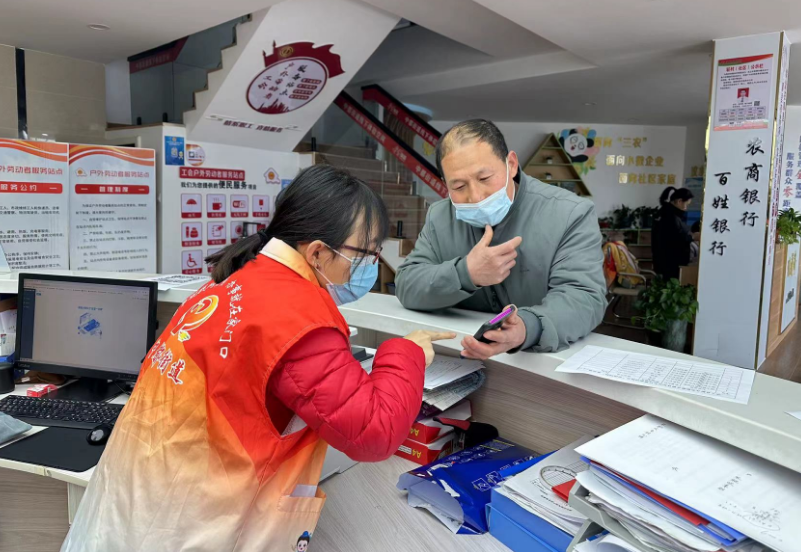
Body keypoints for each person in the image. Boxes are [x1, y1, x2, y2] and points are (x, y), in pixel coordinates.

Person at [61, 165, 455, 552]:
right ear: (317, 252)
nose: (370, 265)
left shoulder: (234, 277)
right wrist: (407, 353)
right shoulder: (295, 315)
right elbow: (374, 433)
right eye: (364, 253)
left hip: (132, 498)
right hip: (196, 519)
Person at [395, 119, 606, 358]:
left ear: (511, 165)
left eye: (485, 178)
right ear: (445, 184)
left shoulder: (570, 214)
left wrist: (527, 327)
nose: (475, 195)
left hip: (538, 365)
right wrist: (466, 274)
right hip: (459, 360)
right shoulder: (441, 217)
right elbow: (408, 285)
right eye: (459, 185)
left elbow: (584, 297)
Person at [651, 186, 696, 280]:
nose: (686, 208)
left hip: (667, 261)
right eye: (686, 204)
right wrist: (693, 237)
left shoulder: (667, 212)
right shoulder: (669, 216)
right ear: (679, 201)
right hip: (669, 262)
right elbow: (675, 238)